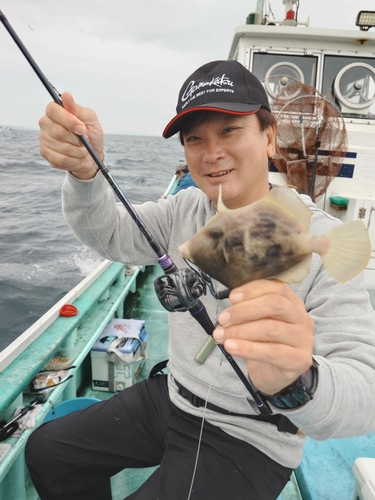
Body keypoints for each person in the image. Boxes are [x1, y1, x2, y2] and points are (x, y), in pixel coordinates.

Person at [25, 60, 375, 500]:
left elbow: (366, 386)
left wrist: (298, 377)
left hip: (253, 434)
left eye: (229, 131)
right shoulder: (185, 209)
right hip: (174, 395)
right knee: (49, 449)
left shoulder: (317, 238)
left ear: (268, 138)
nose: (211, 154)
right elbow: (110, 232)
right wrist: (85, 172)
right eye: (195, 139)